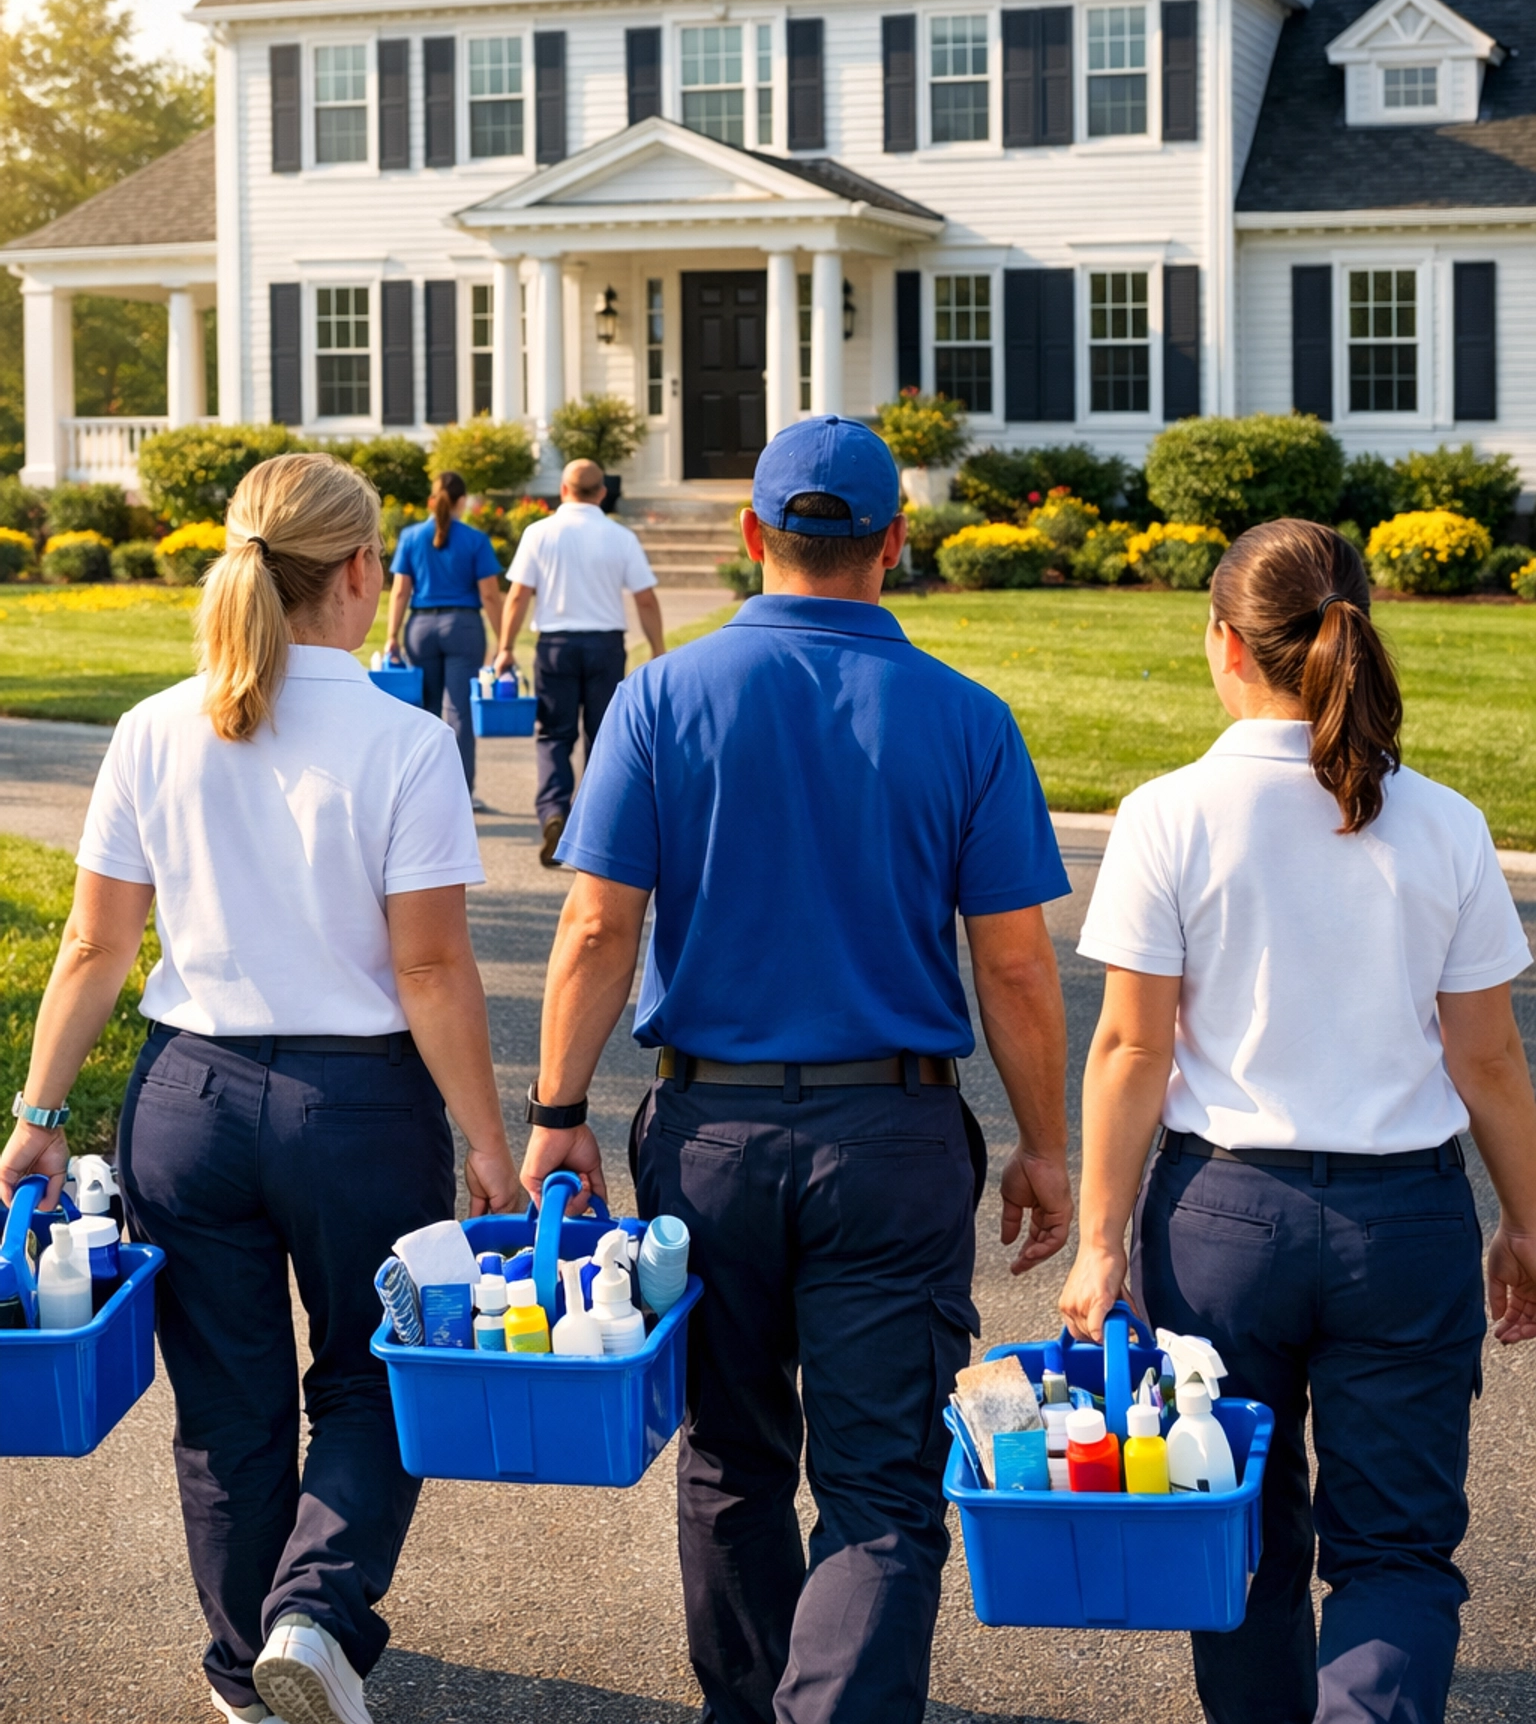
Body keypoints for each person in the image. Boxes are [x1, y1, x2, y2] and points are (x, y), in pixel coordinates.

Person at [520, 416, 1074, 1724]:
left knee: (732, 1464)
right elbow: (1015, 969)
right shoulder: (968, 719)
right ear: (895, 543)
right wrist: (1048, 1146)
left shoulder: (663, 700)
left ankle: (752, 1707)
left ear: (756, 538)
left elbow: (598, 927)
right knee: (883, 1489)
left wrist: (554, 1113)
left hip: (707, 1135)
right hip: (892, 1138)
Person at [0, 453, 522, 1724]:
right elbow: (433, 966)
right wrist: (490, 1147)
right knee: (371, 1373)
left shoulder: (153, 728)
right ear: (360, 572)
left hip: (188, 1099)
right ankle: (317, 1616)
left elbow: (94, 947)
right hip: (357, 1110)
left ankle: (248, 1674)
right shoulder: (405, 743)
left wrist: (37, 1114)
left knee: (227, 1406)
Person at [1059, 517, 1536, 1724]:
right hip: (1405, 1223)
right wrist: (1528, 1226)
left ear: (1224, 643)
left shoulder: (1167, 815)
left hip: (1221, 1221)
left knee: (1238, 1537)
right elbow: (1488, 1060)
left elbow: (1130, 1047)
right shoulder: (1445, 824)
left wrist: (1102, 1241)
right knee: (1394, 1554)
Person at [493, 457, 664, 867]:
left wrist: (505, 646)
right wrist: (658, 650)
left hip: (555, 643)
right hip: (605, 645)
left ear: (563, 490)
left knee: (554, 734)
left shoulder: (539, 533)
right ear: (603, 493)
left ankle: (553, 812)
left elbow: (517, 596)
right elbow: (644, 597)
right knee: (603, 737)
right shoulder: (619, 536)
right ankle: (595, 827)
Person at [386, 470, 505, 808]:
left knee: (423, 710)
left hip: (420, 628)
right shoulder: (475, 540)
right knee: (460, 713)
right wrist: (503, 639)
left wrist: (391, 635)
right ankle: (461, 792)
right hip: (463, 627)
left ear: (432, 500)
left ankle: (417, 793)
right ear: (462, 502)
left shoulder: (410, 537)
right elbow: (490, 596)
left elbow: (399, 592)